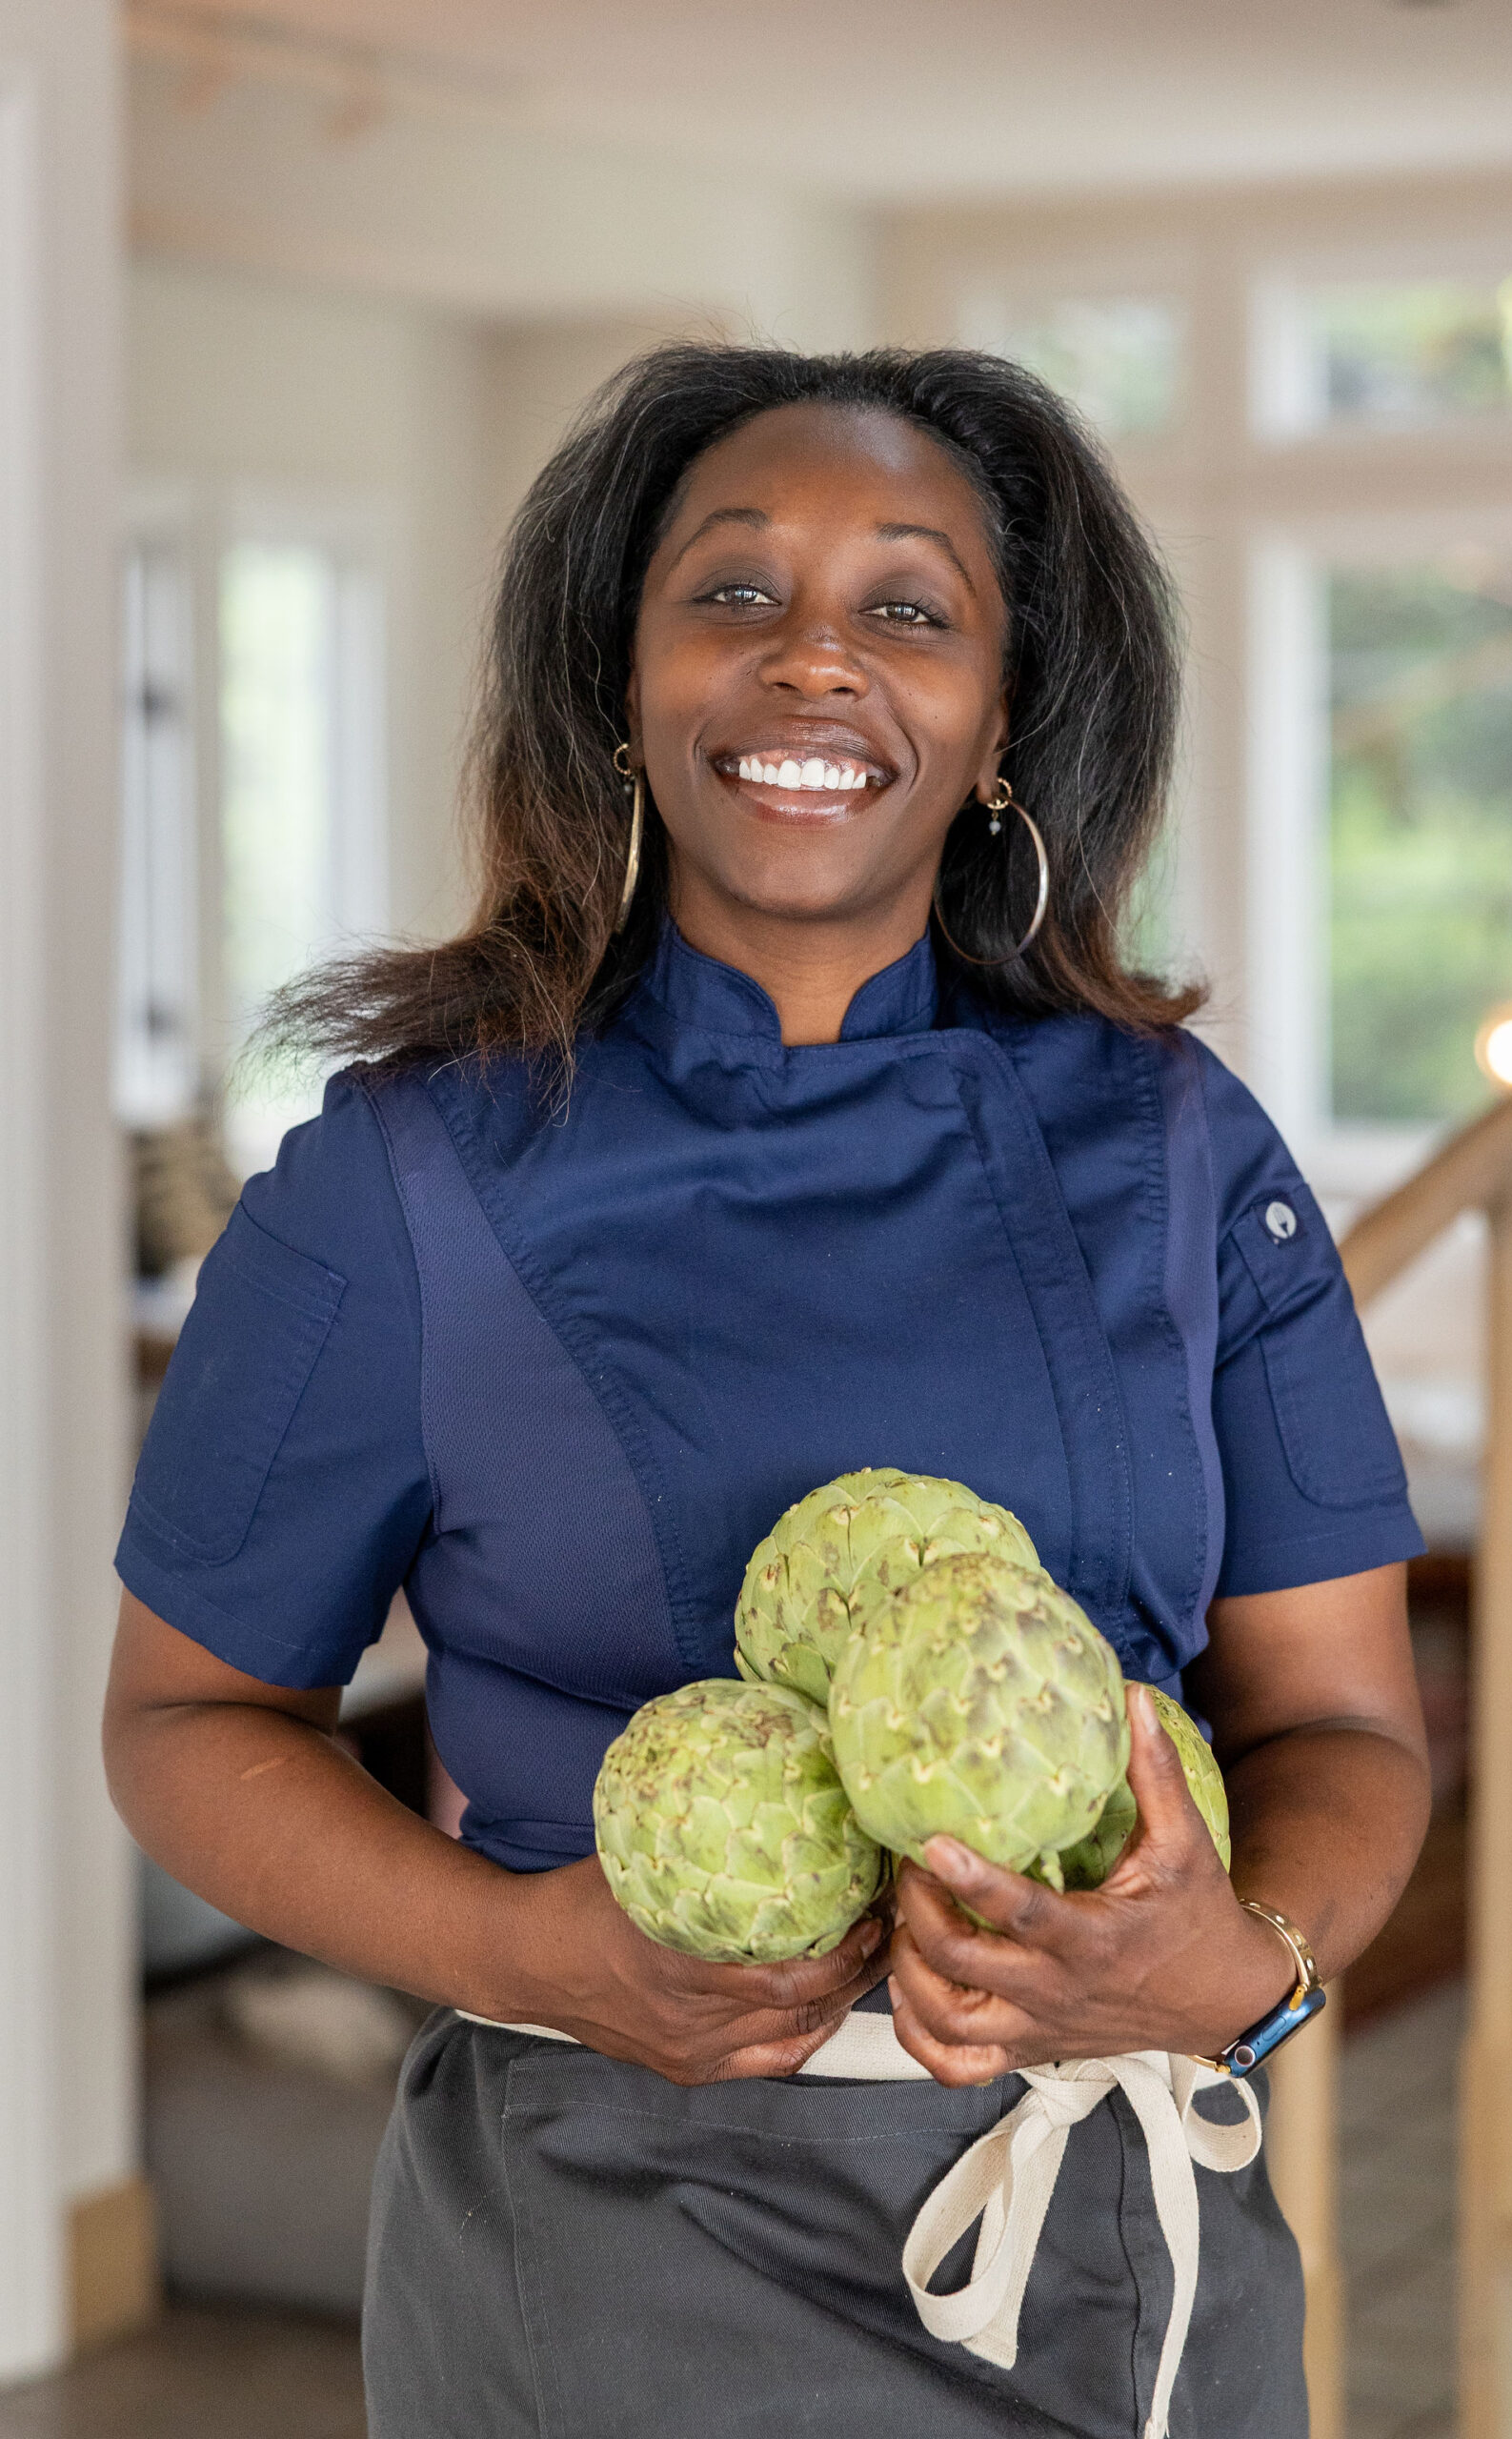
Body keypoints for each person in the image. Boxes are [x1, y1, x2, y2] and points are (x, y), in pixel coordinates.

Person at [105, 343, 1431, 2439]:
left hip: (1127, 2255)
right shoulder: (403, 1181)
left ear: (1002, 720)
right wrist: (526, 1952)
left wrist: (1237, 1963)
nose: (816, 657)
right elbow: (184, 1724)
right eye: (733, 590)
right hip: (612, 2263)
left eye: (908, 605)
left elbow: (1342, 1726)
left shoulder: (1179, 1148)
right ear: (618, 682)